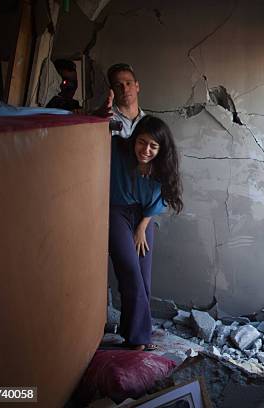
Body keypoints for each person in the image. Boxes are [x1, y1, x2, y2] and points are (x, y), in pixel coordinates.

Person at [109, 115, 183, 351]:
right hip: (117, 212)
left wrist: (142, 227)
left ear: (161, 148)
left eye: (153, 145)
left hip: (144, 216)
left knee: (143, 276)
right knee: (130, 272)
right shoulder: (118, 151)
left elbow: (160, 200)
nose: (146, 150)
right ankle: (139, 339)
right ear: (134, 139)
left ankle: (134, 333)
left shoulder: (162, 166)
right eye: (142, 142)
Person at [95, 63, 145, 139]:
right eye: (118, 85)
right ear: (112, 90)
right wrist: (95, 118)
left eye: (128, 83)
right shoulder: (106, 118)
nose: (125, 89)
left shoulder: (147, 122)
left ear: (137, 86)